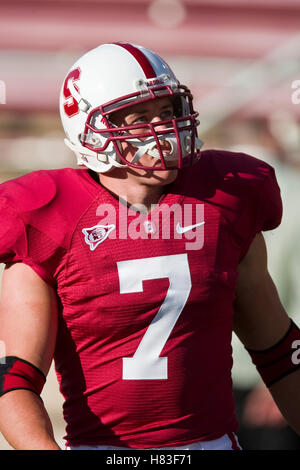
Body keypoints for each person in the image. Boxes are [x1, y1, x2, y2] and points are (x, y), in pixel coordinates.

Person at [0, 42, 300, 451]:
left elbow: (281, 352)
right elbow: (15, 379)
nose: (164, 129)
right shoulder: (47, 217)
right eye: (140, 118)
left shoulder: (226, 199)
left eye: (167, 111)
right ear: (89, 130)